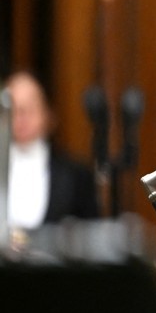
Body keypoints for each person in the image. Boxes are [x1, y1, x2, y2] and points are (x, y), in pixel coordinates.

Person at [4, 70, 99, 230]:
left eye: (29, 108)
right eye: (13, 109)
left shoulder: (76, 175)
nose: (21, 117)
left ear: (48, 113)